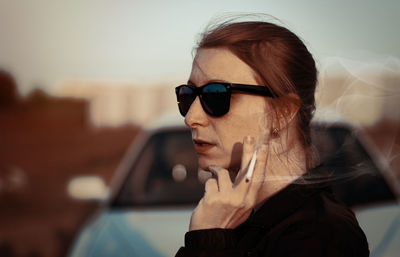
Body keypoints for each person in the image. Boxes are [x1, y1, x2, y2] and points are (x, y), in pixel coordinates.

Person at [174, 18, 369, 257]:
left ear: (282, 112)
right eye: (188, 95)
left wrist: (208, 243)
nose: (191, 117)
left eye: (216, 95)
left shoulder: (322, 237)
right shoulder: (245, 219)